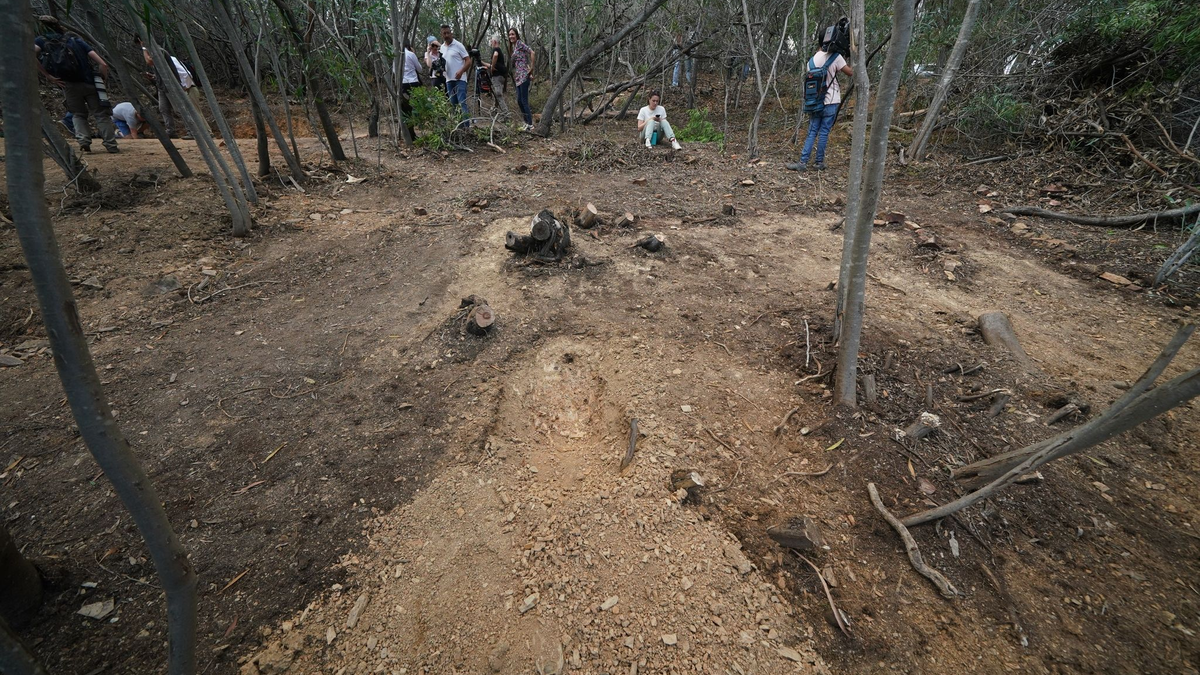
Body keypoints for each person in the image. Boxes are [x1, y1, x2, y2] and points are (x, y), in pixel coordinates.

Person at [34, 17, 119, 153]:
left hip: (68, 84)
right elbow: (103, 64)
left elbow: (31, 54)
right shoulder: (75, 40)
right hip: (90, 82)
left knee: (78, 114)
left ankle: (84, 141)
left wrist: (48, 76)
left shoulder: (41, 41)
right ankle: (111, 145)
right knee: (101, 114)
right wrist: (102, 79)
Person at [787, 40, 853, 172]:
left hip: (814, 102)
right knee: (824, 132)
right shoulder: (836, 57)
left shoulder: (811, 61)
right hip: (831, 101)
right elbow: (850, 72)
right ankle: (819, 162)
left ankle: (803, 162)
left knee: (812, 132)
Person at [139, 36, 210, 138]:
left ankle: (196, 132)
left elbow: (184, 73)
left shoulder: (162, 54)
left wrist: (184, 86)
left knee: (183, 110)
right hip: (164, 87)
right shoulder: (159, 60)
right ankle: (171, 131)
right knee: (164, 108)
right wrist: (154, 77)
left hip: (180, 87)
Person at [439, 24, 472, 120]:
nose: (446, 35)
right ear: (441, 35)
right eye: (444, 33)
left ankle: (466, 127)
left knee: (462, 103)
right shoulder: (442, 48)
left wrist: (461, 71)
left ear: (451, 33)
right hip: (449, 80)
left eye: (448, 33)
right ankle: (458, 128)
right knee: (453, 105)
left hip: (460, 79)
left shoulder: (458, 45)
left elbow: (468, 61)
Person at [507, 28, 535, 129]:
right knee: (519, 100)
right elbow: (524, 60)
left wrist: (531, 69)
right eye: (509, 35)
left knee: (523, 100)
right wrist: (528, 69)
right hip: (518, 78)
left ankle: (530, 124)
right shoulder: (514, 47)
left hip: (524, 77)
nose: (511, 36)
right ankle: (526, 122)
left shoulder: (519, 43)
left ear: (517, 35)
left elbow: (532, 52)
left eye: (513, 34)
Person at [487, 36, 511, 122]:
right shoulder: (499, 51)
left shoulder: (496, 49)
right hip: (500, 77)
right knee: (497, 96)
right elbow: (492, 65)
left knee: (498, 95)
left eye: (491, 41)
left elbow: (495, 56)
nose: (491, 43)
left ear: (495, 41)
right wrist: (480, 62)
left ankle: (506, 115)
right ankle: (493, 114)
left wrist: (492, 67)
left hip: (497, 77)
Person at [401, 41, 423, 117]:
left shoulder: (397, 56)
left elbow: (394, 70)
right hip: (413, 82)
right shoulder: (411, 54)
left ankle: (409, 124)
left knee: (406, 106)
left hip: (403, 83)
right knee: (416, 103)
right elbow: (420, 69)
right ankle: (418, 122)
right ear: (409, 47)